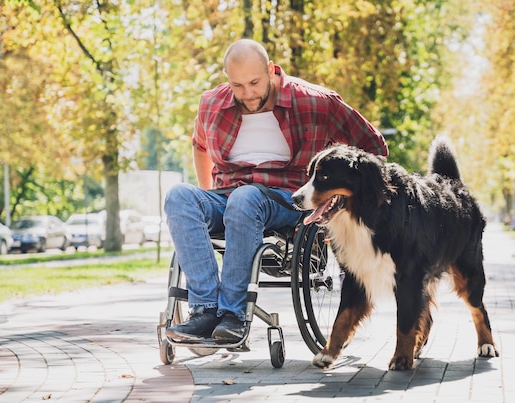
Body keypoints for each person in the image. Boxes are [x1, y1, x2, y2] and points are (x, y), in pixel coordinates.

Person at [163, 39, 388, 343]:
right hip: (228, 195)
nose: (247, 94)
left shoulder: (316, 102)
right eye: (238, 86)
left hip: (286, 198)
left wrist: (339, 202)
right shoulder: (212, 103)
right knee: (178, 196)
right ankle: (205, 309)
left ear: (270, 70)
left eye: (254, 82)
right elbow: (199, 144)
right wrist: (208, 196)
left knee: (246, 198)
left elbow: (373, 146)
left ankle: (233, 314)